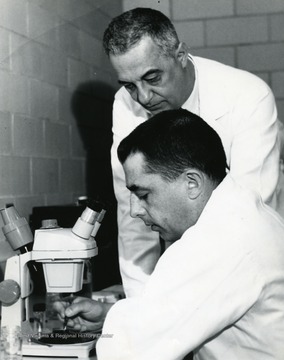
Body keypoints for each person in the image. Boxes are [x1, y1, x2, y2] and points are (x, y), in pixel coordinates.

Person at [55, 109, 284, 359]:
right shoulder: (242, 210)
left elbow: (132, 353)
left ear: (192, 183)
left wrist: (117, 334)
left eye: (143, 195)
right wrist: (109, 317)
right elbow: (181, 310)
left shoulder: (216, 241)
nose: (134, 211)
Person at [102, 7, 283, 297]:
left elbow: (248, 216)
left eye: (153, 78)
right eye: (130, 86)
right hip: (190, 265)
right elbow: (132, 213)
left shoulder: (247, 95)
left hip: (255, 263)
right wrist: (142, 308)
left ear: (181, 55)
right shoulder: (126, 104)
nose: (144, 97)